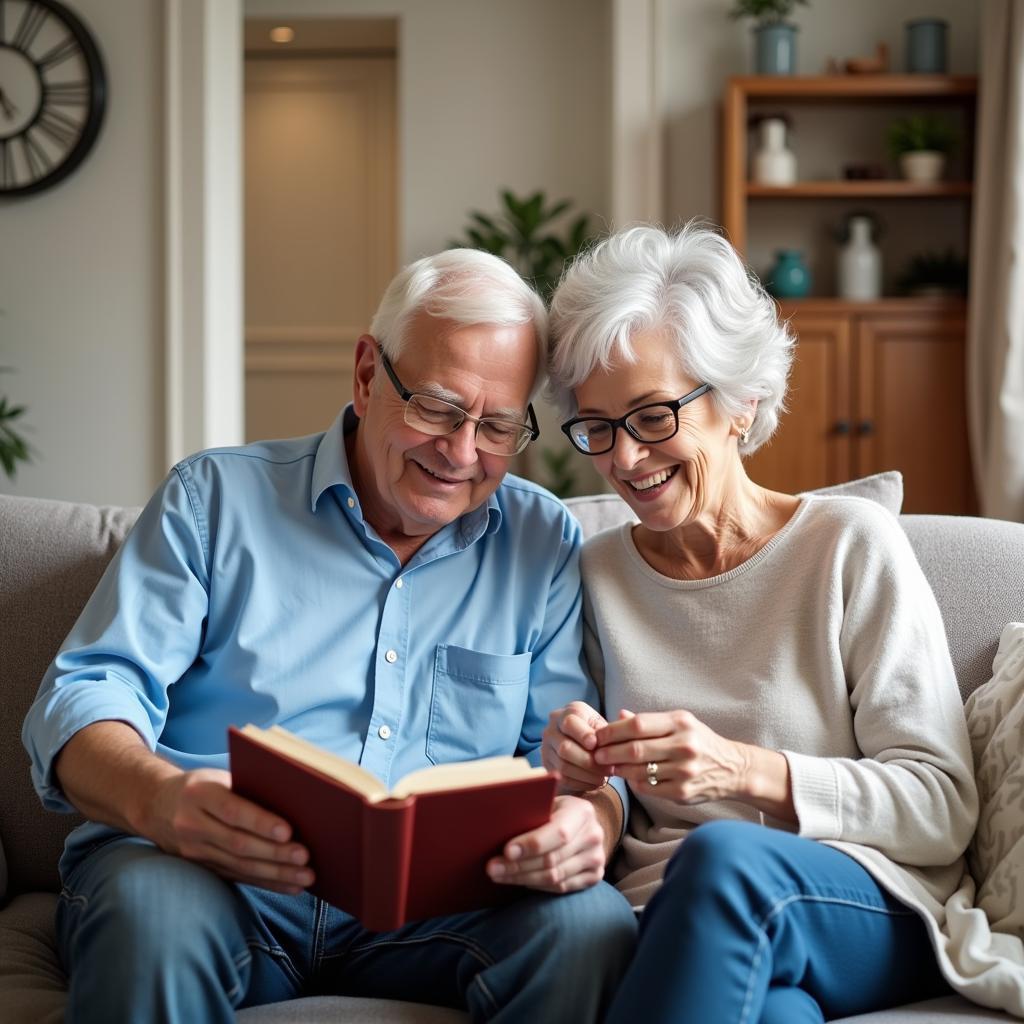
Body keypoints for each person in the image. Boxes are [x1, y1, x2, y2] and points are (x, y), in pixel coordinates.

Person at [22, 248, 636, 1023]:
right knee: (155, 917)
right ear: (367, 373)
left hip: (443, 907)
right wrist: (161, 799)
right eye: (440, 408)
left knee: (591, 927)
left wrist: (593, 817)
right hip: (207, 873)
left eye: (498, 427)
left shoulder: (542, 538)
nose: (460, 452)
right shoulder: (214, 500)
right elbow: (84, 693)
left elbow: (572, 758)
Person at [540, 224, 979, 1023]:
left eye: (650, 416)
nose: (625, 461)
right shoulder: (596, 575)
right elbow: (603, 800)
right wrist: (578, 768)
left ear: (738, 403)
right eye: (596, 427)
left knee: (724, 861)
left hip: (856, 901)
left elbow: (942, 806)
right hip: (668, 919)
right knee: (775, 1016)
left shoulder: (848, 546)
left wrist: (744, 771)